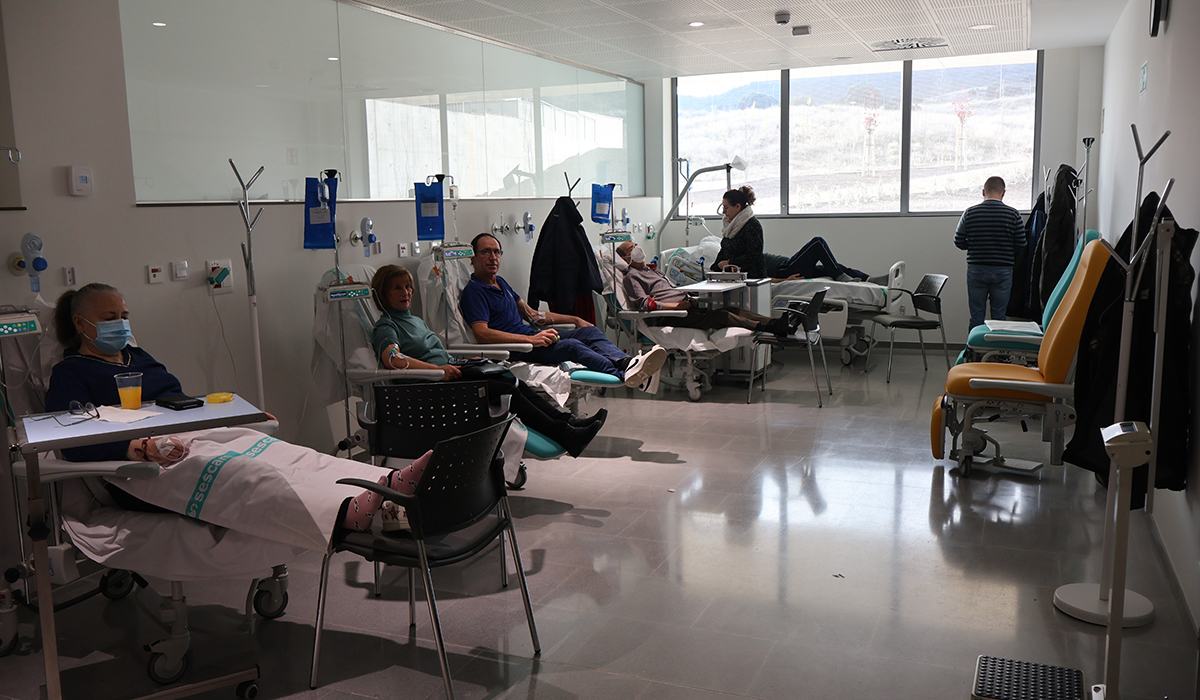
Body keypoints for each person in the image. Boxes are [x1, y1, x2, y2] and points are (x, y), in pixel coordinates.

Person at [45, 283, 424, 535]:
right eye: (110, 318)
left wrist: (245, 417)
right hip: (140, 471)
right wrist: (134, 448)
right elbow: (72, 440)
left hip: (189, 434)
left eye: (124, 316)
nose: (121, 324)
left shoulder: (135, 356)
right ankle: (346, 512)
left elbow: (177, 397)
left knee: (290, 456)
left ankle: (387, 488)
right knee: (249, 472)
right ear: (81, 324)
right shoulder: (71, 373)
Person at [370, 264, 606, 458]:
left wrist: (458, 360)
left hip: (451, 372)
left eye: (408, 287)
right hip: (430, 387)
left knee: (510, 380)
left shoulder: (416, 321)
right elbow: (393, 359)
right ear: (382, 294)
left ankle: (569, 423)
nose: (406, 293)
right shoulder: (386, 326)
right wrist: (439, 370)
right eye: (397, 289)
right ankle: (566, 433)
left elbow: (434, 352)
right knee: (506, 388)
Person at [459, 232, 666, 389]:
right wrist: (530, 341)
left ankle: (628, 363)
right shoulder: (474, 291)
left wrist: (575, 319)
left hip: (531, 337)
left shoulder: (501, 283)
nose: (492, 257)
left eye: (496, 252)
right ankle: (627, 375)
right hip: (516, 348)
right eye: (485, 252)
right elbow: (482, 334)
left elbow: (532, 315)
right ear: (473, 258)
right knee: (573, 346)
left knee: (590, 331)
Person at [616, 241, 797, 338]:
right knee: (722, 316)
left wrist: (689, 300)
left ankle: (777, 323)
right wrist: (677, 306)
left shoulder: (653, 270)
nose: (637, 249)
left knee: (732, 309)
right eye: (632, 248)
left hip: (686, 307)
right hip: (669, 316)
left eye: (636, 245)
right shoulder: (632, 277)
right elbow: (645, 304)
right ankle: (770, 328)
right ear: (625, 258)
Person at [954, 176, 1028, 330]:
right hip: (1003, 271)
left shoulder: (970, 213)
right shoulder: (1013, 214)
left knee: (976, 316)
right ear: (1003, 193)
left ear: (983, 192)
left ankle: (974, 353)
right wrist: (1005, 249)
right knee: (999, 317)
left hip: (976, 269)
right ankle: (997, 353)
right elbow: (1021, 244)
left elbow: (958, 241)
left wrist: (975, 245)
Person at [763, 237, 878, 283]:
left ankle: (869, 279)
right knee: (817, 242)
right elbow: (758, 277)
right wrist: (784, 280)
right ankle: (840, 276)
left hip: (787, 266)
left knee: (833, 266)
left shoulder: (750, 252)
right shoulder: (747, 261)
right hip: (784, 271)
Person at [710, 186, 765, 278]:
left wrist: (730, 263)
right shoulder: (730, 225)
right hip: (732, 276)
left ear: (737, 206)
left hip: (751, 277)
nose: (723, 212)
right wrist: (714, 268)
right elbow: (725, 250)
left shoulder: (752, 225)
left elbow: (754, 255)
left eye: (726, 208)